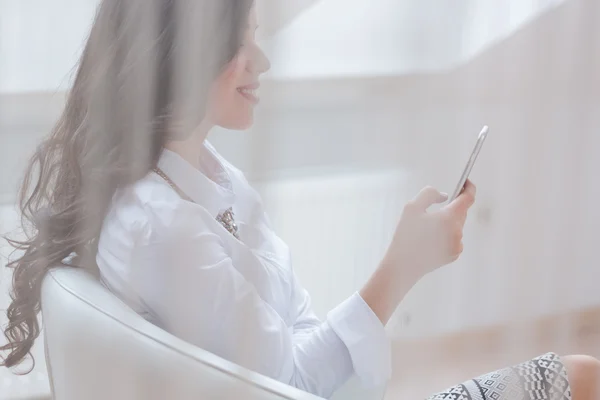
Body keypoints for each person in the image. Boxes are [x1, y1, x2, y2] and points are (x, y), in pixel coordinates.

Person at [2, 1, 599, 399]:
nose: (260, 60)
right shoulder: (160, 226)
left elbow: (301, 335)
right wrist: (402, 268)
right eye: (239, 42)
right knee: (580, 378)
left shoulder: (216, 181)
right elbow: (290, 384)